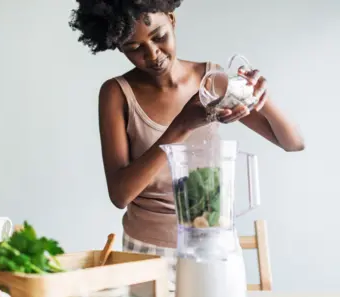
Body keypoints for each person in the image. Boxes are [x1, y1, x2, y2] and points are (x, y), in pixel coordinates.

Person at [69, 0, 305, 289]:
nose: (152, 54)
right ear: (118, 46)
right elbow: (120, 195)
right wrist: (183, 124)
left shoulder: (210, 80)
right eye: (134, 48)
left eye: (159, 37)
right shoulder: (116, 94)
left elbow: (293, 142)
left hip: (212, 244)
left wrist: (259, 96)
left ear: (172, 19)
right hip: (147, 251)